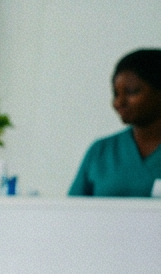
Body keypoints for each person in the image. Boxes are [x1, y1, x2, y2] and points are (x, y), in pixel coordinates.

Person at [67, 49, 161, 197]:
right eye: (116, 94)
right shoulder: (101, 151)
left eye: (131, 92)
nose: (119, 102)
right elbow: (72, 213)